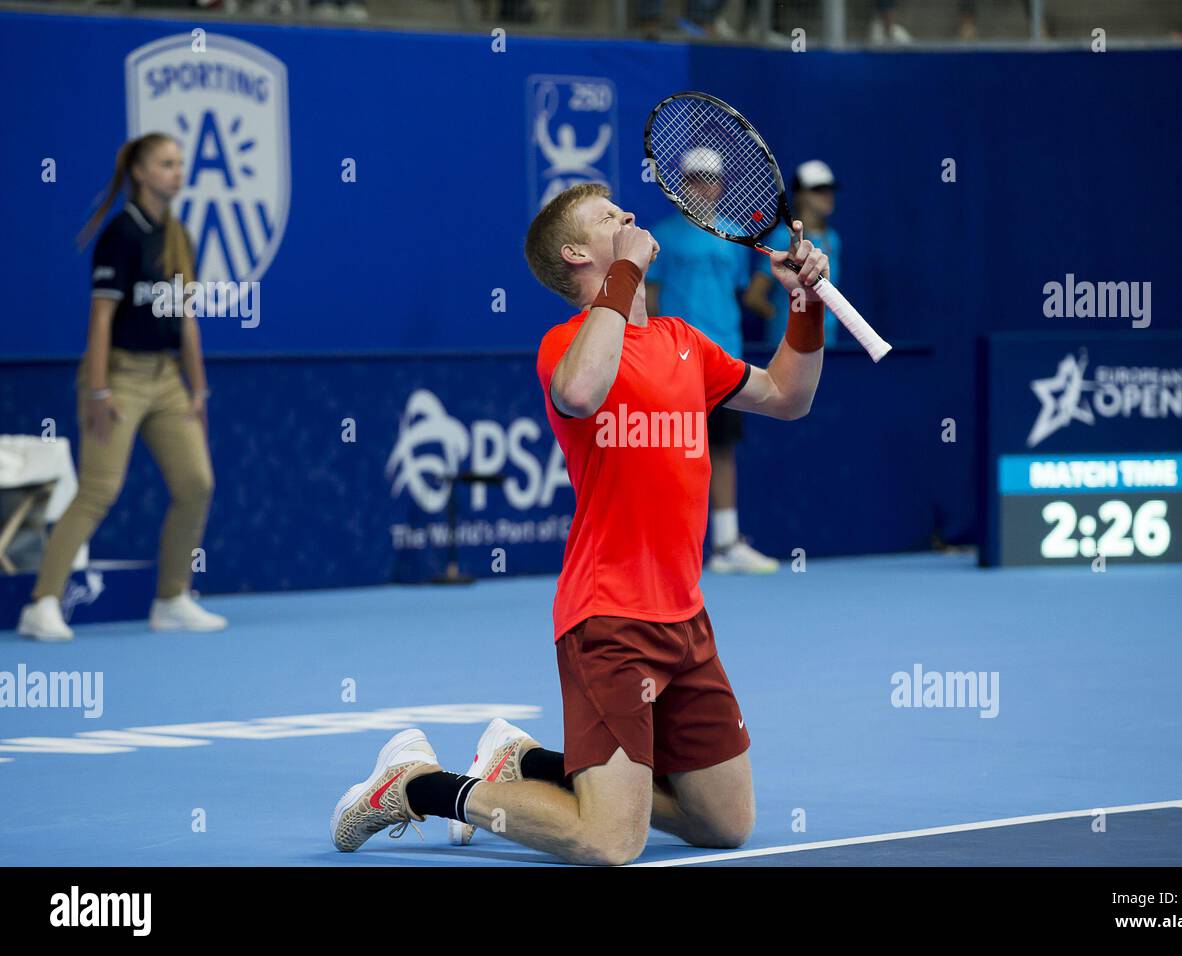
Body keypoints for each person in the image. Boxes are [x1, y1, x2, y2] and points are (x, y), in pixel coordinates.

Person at [330, 182, 831, 865]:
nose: (627, 216)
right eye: (607, 218)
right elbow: (580, 391)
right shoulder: (564, 347)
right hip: (609, 618)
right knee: (609, 842)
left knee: (725, 822)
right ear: (575, 255)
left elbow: (787, 396)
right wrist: (625, 272)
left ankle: (525, 761)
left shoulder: (686, 343)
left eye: (623, 211)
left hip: (687, 620)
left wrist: (804, 304)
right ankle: (421, 786)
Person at [16, 134, 225, 641]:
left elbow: (188, 321)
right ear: (140, 172)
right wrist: (99, 389)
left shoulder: (180, 237)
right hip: (119, 378)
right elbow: (102, 318)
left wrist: (198, 391)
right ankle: (41, 604)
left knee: (197, 484)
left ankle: (172, 598)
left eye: (180, 164)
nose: (178, 172)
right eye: (167, 164)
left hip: (168, 381)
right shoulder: (120, 236)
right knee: (98, 489)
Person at [646, 147, 779, 574]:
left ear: (721, 184)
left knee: (721, 450)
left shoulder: (735, 237)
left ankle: (724, 545)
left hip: (724, 358)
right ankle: (665, 547)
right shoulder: (659, 238)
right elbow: (649, 300)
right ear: (680, 184)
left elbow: (734, 294)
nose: (702, 186)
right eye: (694, 178)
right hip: (673, 360)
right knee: (669, 455)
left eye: (710, 178)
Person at [744, 159, 843, 352]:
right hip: (788, 349)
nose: (827, 195)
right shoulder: (783, 238)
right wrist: (785, 319)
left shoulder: (833, 239)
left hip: (826, 347)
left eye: (829, 189)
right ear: (800, 195)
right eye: (818, 189)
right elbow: (753, 297)